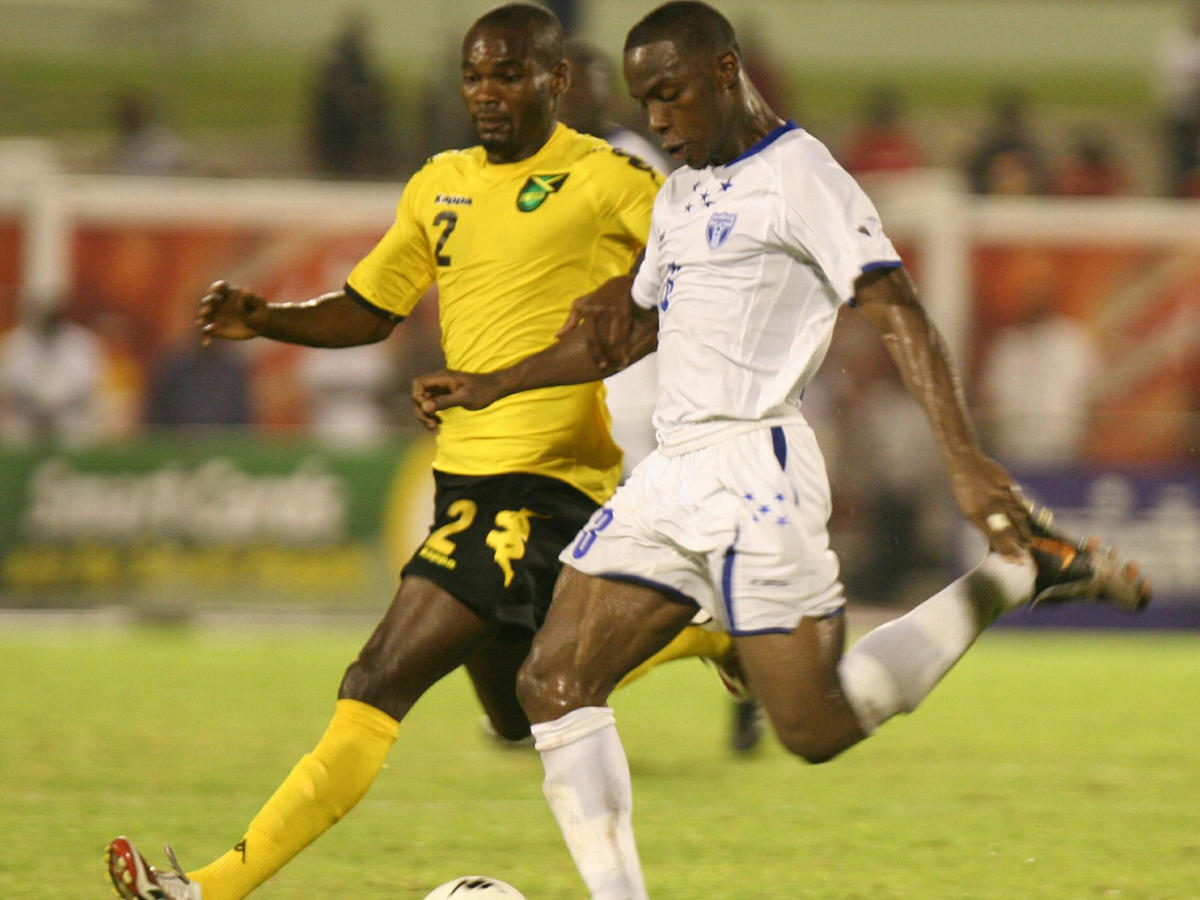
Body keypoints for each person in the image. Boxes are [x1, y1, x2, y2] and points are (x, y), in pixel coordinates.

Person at [412, 5, 1150, 899]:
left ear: (726, 72)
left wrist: (964, 459)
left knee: (816, 725)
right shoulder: (683, 189)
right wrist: (497, 381)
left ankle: (1012, 575)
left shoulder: (802, 176)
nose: (657, 121)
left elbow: (896, 308)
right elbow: (633, 328)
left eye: (671, 94)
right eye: (646, 101)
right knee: (554, 682)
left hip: (757, 469)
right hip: (673, 472)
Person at [105, 6, 733, 900]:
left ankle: (203, 888)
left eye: (508, 74)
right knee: (521, 707)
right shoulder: (438, 184)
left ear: (555, 82)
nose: (486, 93)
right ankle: (707, 633)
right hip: (464, 481)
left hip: (540, 481)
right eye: (474, 75)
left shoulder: (610, 181)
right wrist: (266, 320)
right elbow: (371, 305)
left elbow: (699, 278)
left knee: (376, 677)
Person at [559, 35, 762, 754]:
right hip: (581, 392)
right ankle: (725, 640)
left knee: (626, 579)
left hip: (639, 397)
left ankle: (726, 641)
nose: (575, 96)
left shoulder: (630, 162)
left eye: (584, 83)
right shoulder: (541, 168)